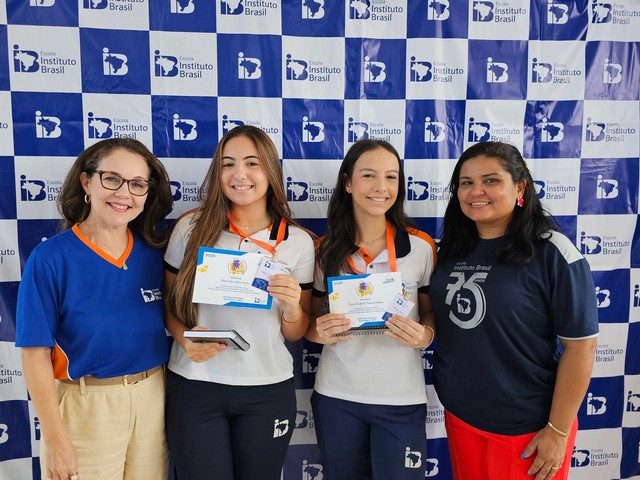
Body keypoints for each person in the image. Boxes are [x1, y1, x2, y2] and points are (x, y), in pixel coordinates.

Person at [430, 141, 598, 480]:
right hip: (461, 416)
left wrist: (558, 431)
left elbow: (582, 346)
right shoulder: (450, 250)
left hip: (528, 429)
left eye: (491, 180)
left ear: (520, 187)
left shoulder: (552, 252)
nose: (476, 191)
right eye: (466, 182)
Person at [15, 138, 174, 480]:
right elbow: (34, 354)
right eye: (112, 179)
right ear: (87, 182)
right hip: (87, 406)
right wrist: (55, 438)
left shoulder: (153, 252)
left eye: (137, 184)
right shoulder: (51, 259)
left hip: (154, 397)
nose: (124, 193)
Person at [163, 125, 315, 480]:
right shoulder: (190, 227)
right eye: (228, 164)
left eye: (252, 163)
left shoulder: (297, 241)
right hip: (196, 383)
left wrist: (292, 308)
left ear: (270, 171)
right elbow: (169, 305)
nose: (239, 174)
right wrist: (185, 339)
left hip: (267, 388)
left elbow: (296, 332)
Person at [305, 139, 437, 479]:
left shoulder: (421, 247)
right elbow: (309, 323)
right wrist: (318, 332)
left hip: (401, 398)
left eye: (391, 177)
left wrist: (425, 336)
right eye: (368, 175)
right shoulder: (323, 250)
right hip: (337, 396)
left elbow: (430, 314)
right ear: (348, 183)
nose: (381, 187)